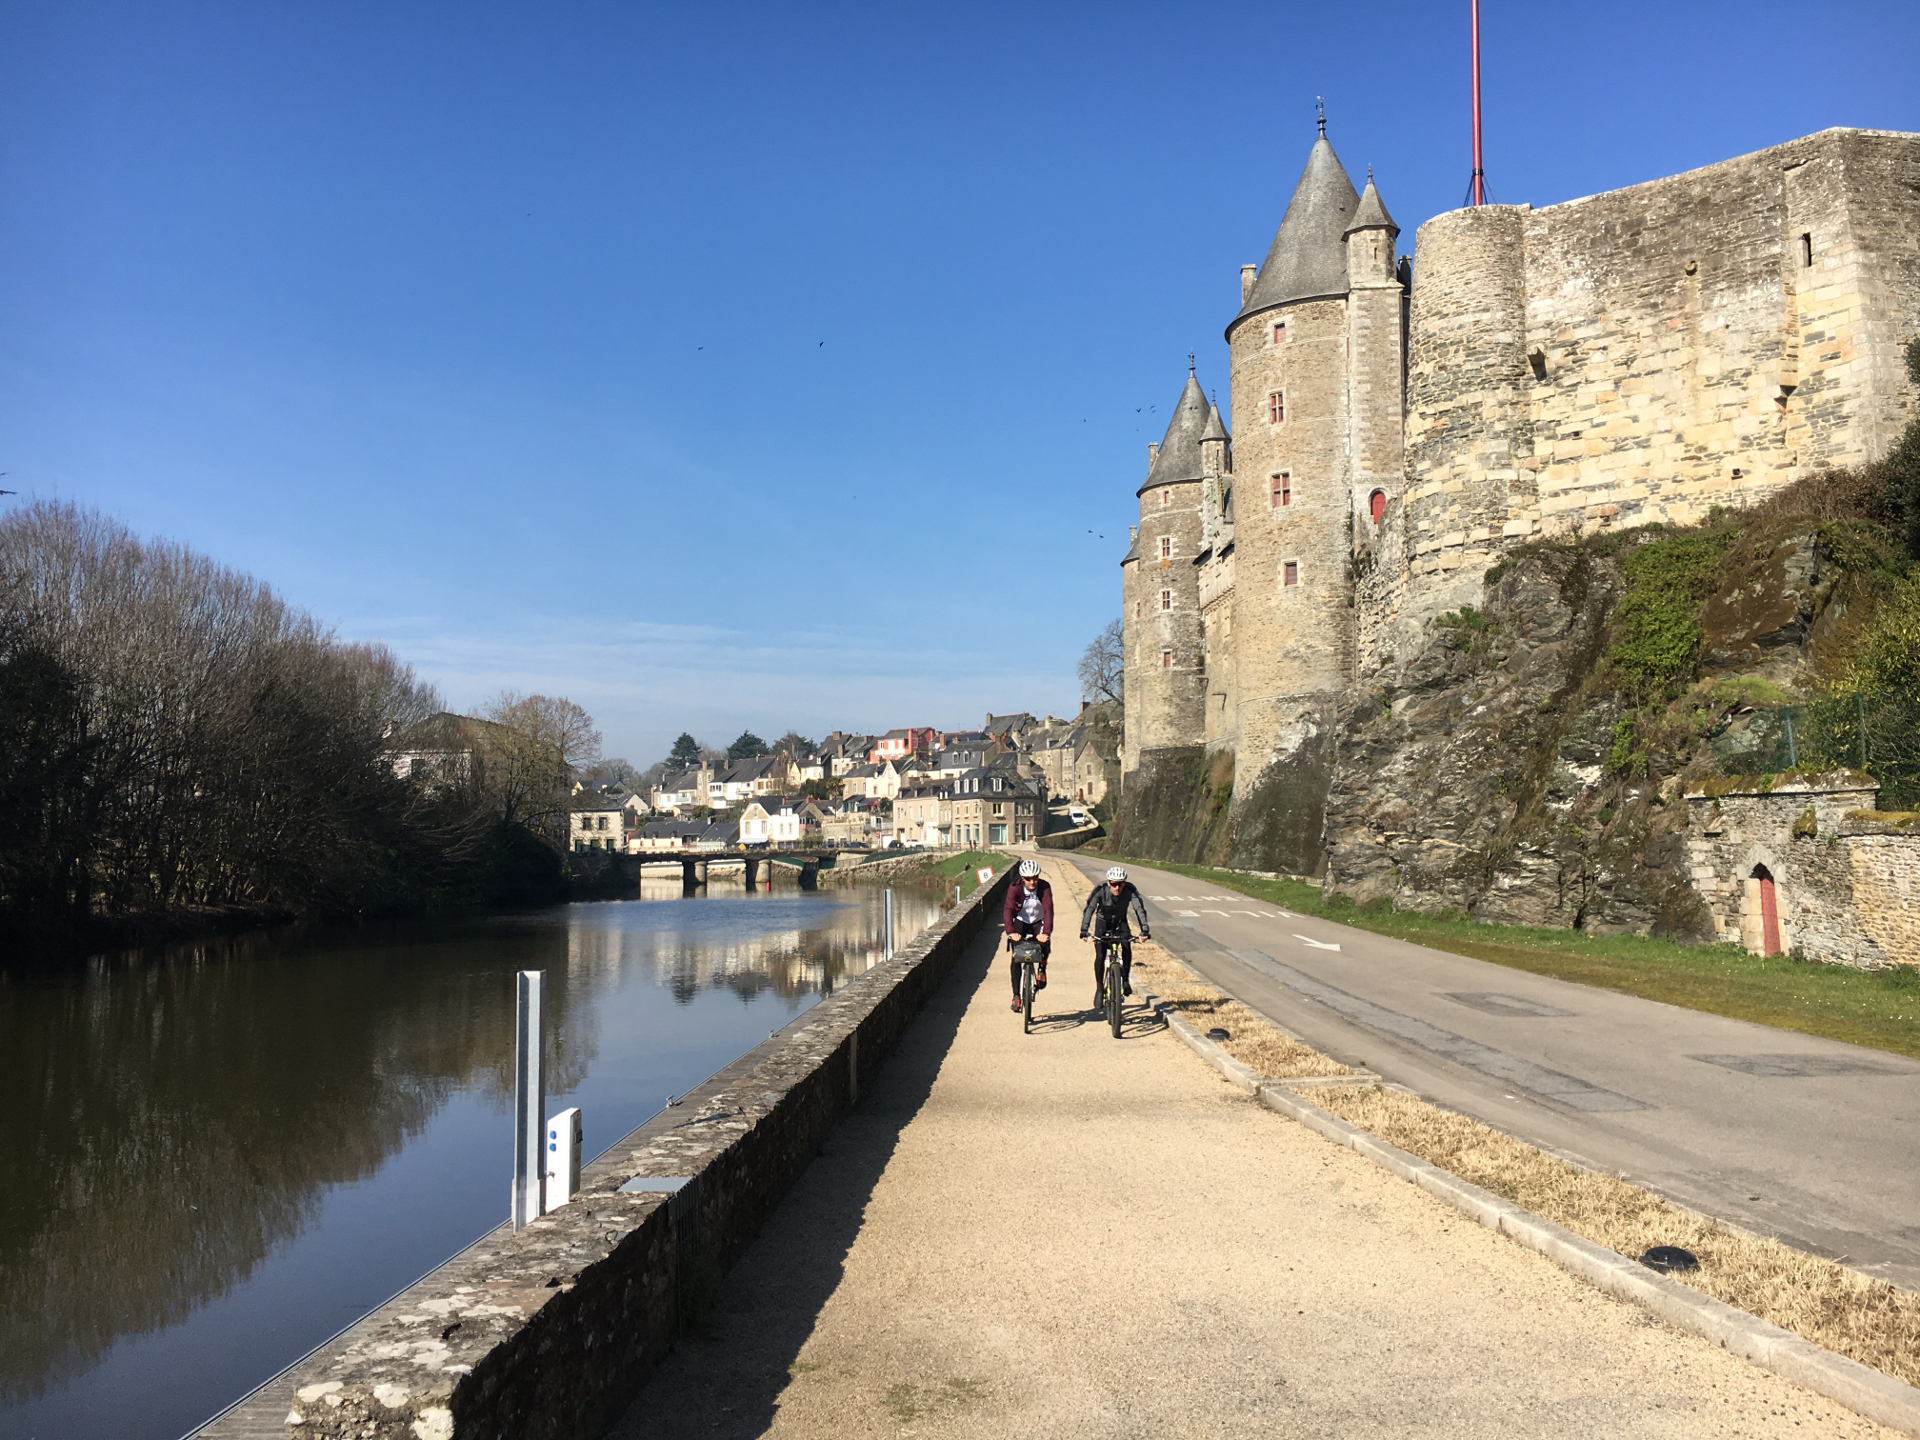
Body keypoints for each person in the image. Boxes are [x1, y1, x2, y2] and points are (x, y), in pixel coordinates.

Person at [1080, 865, 1149, 1007]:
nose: (1117, 887)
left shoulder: (1130, 890)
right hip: (1102, 922)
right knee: (1100, 955)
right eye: (1113, 884)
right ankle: (1099, 989)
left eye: (1120, 884)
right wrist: (1084, 931)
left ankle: (1125, 980)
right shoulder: (1100, 889)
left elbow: (1139, 909)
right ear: (1108, 883)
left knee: (1126, 945)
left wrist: (1144, 931)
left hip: (1120, 921)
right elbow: (1090, 909)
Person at [1003, 858, 1052, 1012]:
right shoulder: (1014, 888)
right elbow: (1008, 910)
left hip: (1038, 920)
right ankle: (1016, 996)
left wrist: (1046, 933)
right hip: (1021, 921)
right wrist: (1011, 932)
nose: (1032, 882)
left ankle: (1042, 968)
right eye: (1028, 879)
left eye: (1035, 878)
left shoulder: (1044, 887)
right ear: (1022, 879)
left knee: (1045, 944)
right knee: (1016, 957)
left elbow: (1048, 910)